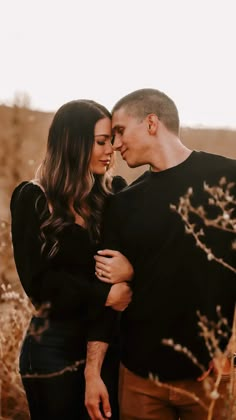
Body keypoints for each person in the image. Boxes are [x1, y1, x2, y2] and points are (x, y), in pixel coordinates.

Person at [84, 88, 236, 420]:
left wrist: (231, 348)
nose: (116, 145)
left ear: (151, 122)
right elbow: (106, 298)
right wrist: (92, 372)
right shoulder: (122, 203)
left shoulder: (228, 179)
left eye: (121, 131)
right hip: (139, 380)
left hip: (210, 379)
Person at [10, 99, 134, 420]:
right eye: (102, 142)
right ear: (74, 143)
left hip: (108, 344)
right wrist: (104, 295)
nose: (112, 150)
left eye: (112, 141)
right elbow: (38, 284)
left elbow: (127, 266)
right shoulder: (33, 198)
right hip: (52, 347)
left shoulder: (114, 194)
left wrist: (129, 273)